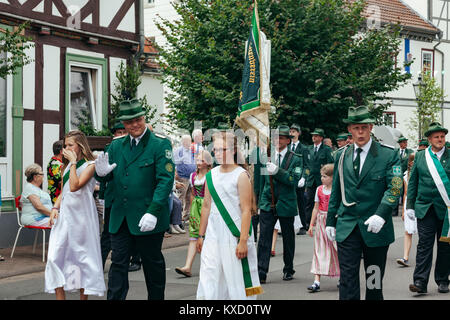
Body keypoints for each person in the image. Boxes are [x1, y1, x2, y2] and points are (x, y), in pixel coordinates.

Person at [95, 99, 174, 300]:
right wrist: (101, 174)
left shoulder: (159, 143)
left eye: (138, 120)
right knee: (118, 263)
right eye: (129, 122)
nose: (134, 125)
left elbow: (165, 181)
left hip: (148, 217)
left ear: (144, 118)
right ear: (124, 124)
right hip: (120, 216)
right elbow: (108, 177)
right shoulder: (116, 146)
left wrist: (154, 210)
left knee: (152, 263)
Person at [326, 105, 401, 300]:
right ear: (350, 129)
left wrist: (381, 214)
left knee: (373, 280)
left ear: (371, 128)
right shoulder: (340, 155)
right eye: (356, 128)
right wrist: (330, 222)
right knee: (347, 280)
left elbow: (394, 187)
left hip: (375, 228)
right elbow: (337, 190)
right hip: (348, 225)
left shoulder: (388, 154)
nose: (360, 132)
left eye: (364, 128)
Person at [196, 131, 262, 300]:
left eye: (222, 149)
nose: (217, 153)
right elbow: (206, 206)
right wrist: (201, 235)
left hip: (235, 233)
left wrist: (243, 241)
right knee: (209, 275)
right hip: (213, 233)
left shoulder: (241, 175)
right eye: (215, 150)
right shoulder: (211, 175)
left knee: (239, 278)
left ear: (233, 150)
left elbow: (246, 210)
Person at [45, 130, 105, 300]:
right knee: (54, 258)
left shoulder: (90, 165)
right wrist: (55, 208)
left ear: (80, 146)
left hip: (83, 218)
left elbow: (74, 186)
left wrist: (72, 164)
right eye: (65, 145)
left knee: (82, 260)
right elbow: (63, 192)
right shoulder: (64, 166)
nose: (66, 148)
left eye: (70, 145)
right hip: (65, 217)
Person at [406, 122, 450, 295]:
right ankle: (420, 281)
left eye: (442, 136)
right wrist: (409, 205)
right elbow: (413, 181)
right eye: (436, 137)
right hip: (425, 207)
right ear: (430, 139)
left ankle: (442, 279)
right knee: (424, 244)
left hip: (446, 209)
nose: (440, 140)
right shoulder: (420, 156)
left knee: (445, 245)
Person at [257, 125, 304, 283]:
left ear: (288, 140)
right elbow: (262, 182)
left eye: (282, 138)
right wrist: (259, 202)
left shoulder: (296, 158)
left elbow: (293, 181)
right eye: (276, 138)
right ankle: (261, 271)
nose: (278, 141)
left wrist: (277, 171)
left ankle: (288, 269)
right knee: (264, 239)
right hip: (267, 202)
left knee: (288, 238)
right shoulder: (267, 157)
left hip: (286, 203)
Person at [175, 150, 212, 277]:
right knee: (194, 236)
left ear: (208, 162)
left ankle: (209, 267)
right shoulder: (193, 176)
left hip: (208, 207)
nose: (199, 162)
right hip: (196, 207)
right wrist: (191, 211)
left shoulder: (211, 175)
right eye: (197, 160)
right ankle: (187, 266)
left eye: (202, 160)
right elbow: (192, 194)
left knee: (208, 238)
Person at [307, 164, 340, 292]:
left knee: (336, 249)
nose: (322, 178)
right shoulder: (319, 189)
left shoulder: (336, 191)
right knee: (319, 250)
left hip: (333, 220)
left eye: (325, 176)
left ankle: (342, 276)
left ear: (332, 177)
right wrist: (311, 224)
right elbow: (316, 207)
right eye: (321, 176)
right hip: (321, 220)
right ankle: (316, 281)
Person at [99, 122, 127, 270]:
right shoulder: (111, 148)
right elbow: (104, 176)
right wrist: (103, 194)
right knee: (108, 234)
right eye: (119, 132)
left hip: (129, 199)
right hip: (113, 198)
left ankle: (132, 260)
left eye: (124, 132)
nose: (122, 135)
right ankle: (100, 263)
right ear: (114, 134)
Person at [305, 128, 334, 230]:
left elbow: (330, 164)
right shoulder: (309, 149)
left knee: (323, 200)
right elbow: (306, 164)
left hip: (322, 179)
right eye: (313, 135)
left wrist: (328, 178)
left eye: (316, 136)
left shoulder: (326, 149)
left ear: (321, 138)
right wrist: (305, 176)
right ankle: (308, 223)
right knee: (309, 201)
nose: (314, 137)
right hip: (311, 179)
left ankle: (324, 220)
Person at [396, 153, 417, 267]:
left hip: (421, 203)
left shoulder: (425, 173)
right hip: (409, 203)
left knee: (425, 234)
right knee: (408, 231)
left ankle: (423, 259)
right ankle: (405, 257)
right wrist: (403, 211)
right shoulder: (405, 176)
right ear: (410, 163)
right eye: (414, 161)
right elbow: (405, 193)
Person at [289, 123, 310, 235]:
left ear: (298, 133)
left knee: (301, 203)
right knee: (287, 203)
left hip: (299, 180)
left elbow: (307, 166)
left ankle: (303, 225)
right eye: (291, 131)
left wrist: (304, 178)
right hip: (289, 179)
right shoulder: (287, 147)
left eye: (294, 131)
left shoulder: (303, 148)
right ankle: (285, 226)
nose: (292, 133)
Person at [174, 135, 197, 220]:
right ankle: (177, 218)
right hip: (182, 177)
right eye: (188, 141)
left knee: (188, 197)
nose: (190, 143)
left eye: (190, 141)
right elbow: (174, 162)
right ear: (183, 142)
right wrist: (176, 172)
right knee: (180, 197)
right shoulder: (179, 150)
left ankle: (185, 216)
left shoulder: (191, 151)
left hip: (190, 177)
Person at [47, 140, 64, 204]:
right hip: (56, 195)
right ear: (61, 151)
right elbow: (59, 179)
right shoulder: (55, 163)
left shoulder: (57, 162)